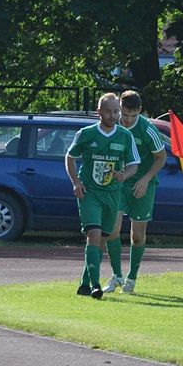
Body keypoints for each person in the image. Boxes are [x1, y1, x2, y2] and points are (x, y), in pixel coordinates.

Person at [66, 93, 140, 299]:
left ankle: (84, 283)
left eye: (116, 111)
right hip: (90, 193)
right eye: (108, 111)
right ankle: (96, 285)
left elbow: (134, 164)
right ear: (99, 112)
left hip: (112, 194)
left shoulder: (125, 136)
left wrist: (124, 174)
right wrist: (76, 182)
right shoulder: (86, 133)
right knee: (94, 235)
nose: (113, 115)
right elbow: (70, 157)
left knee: (101, 241)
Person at [101, 91, 166, 294]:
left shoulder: (147, 129)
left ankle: (132, 278)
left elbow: (161, 158)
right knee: (112, 229)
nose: (128, 120)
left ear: (140, 112)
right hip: (117, 184)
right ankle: (116, 276)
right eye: (125, 114)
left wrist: (145, 180)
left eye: (133, 116)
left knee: (137, 236)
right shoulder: (112, 125)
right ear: (120, 108)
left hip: (142, 185)